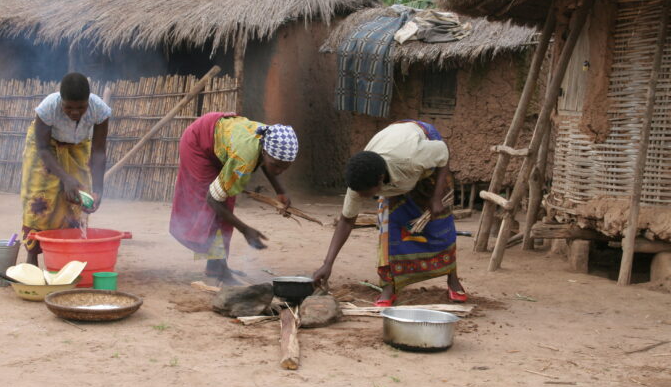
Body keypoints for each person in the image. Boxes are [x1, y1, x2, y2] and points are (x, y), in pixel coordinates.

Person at [312, 120, 466, 306]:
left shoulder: (411, 159)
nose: (363, 197)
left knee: (440, 224)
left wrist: (436, 197)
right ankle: (389, 287)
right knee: (389, 231)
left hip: (425, 154)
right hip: (395, 159)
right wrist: (328, 263)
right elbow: (346, 220)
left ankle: (453, 279)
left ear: (379, 181)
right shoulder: (360, 181)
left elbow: (443, 153)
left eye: (367, 194)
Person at [170, 112, 298, 283]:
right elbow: (212, 200)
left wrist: (280, 191)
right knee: (213, 211)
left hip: (219, 143)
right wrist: (245, 230)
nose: (278, 171)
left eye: (284, 168)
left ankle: (215, 267)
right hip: (198, 144)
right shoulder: (244, 159)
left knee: (225, 203)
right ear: (265, 152)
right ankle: (220, 271)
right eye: (276, 165)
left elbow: (267, 162)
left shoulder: (265, 140)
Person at [21, 73, 111, 265]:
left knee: (77, 199)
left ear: (89, 101)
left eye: (81, 107)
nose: (75, 112)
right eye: (68, 107)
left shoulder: (100, 110)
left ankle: (68, 257)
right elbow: (43, 148)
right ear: (61, 100)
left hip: (78, 146)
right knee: (40, 199)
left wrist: (98, 190)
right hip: (46, 148)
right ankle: (32, 259)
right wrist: (65, 178)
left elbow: (98, 152)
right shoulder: (48, 108)